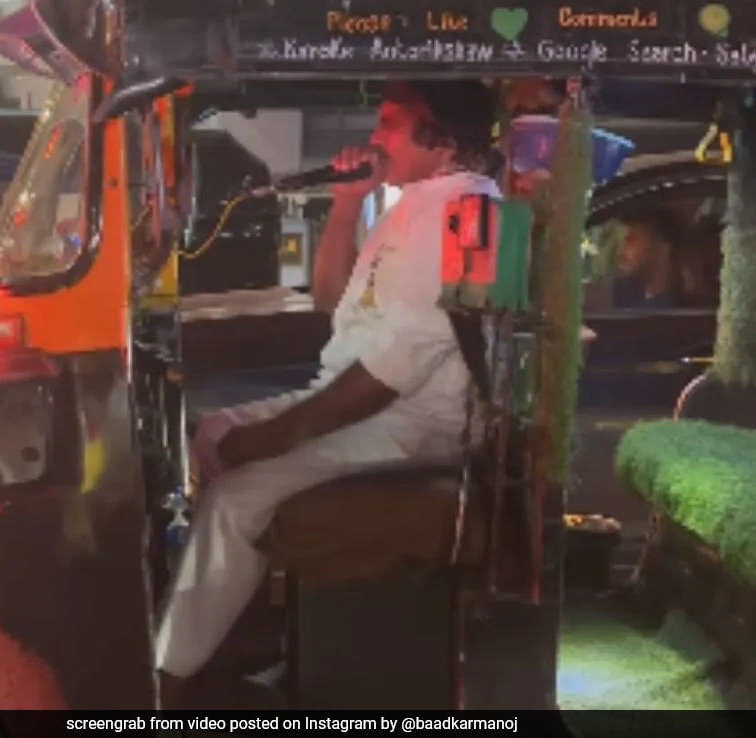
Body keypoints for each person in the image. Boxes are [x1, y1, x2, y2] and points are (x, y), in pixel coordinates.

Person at [155, 78, 503, 705]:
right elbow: (330, 301)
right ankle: (237, 640)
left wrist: (273, 438)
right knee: (210, 434)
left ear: (443, 141)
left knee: (235, 494)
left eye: (391, 123)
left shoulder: (466, 213)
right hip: (364, 401)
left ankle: (166, 679)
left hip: (413, 423)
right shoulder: (416, 203)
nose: (375, 137)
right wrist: (347, 204)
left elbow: (389, 375)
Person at [612, 210, 683, 309]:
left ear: (662, 249)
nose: (621, 253)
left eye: (632, 241)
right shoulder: (622, 292)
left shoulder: (676, 309)